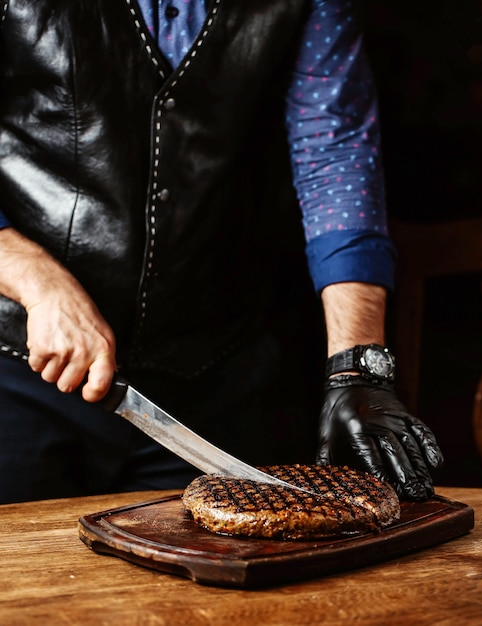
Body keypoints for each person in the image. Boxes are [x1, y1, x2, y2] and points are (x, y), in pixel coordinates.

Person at [0, 0, 443, 504]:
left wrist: (357, 365)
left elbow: (335, 155)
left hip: (214, 377)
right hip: (16, 368)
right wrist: (36, 281)